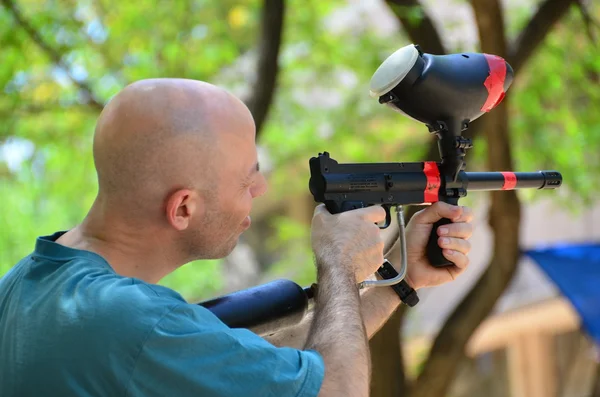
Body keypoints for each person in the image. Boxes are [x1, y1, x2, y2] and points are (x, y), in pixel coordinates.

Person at [0, 78, 474, 397]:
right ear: (184, 207)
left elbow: (273, 368)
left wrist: (398, 283)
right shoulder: (135, 324)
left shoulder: (26, 286)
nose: (261, 190)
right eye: (247, 181)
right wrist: (338, 264)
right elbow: (337, 390)